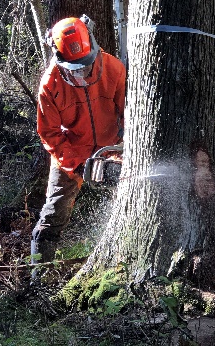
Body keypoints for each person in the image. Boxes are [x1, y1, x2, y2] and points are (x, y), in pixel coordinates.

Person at [31, 15, 126, 266]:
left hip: (111, 147)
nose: (82, 73)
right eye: (75, 69)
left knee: (128, 203)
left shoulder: (113, 69)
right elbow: (49, 134)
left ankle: (121, 261)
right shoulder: (50, 86)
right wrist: (77, 164)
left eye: (85, 65)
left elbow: (131, 116)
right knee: (54, 212)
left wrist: (124, 153)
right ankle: (38, 276)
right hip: (71, 150)